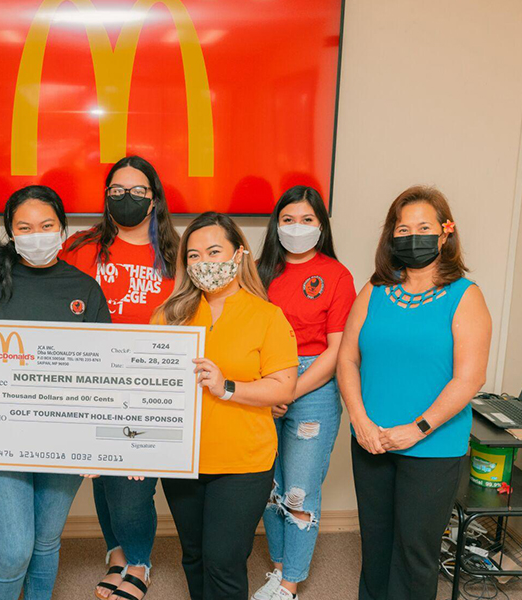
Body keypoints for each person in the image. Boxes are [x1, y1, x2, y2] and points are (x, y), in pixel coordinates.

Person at [0, 185, 112, 600]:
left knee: (46, 543)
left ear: (62, 229)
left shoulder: (85, 289)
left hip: (65, 440)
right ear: (10, 232)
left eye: (46, 225)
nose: (37, 234)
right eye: (25, 227)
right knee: (14, 548)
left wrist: (99, 445)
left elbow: (105, 371)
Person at [337, 186, 491, 600]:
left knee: (414, 552)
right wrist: (360, 420)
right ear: (391, 236)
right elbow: (347, 360)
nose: (412, 236)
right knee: (376, 545)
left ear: (445, 232)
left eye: (423, 227)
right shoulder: (375, 290)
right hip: (370, 440)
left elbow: (469, 378)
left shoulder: (466, 297)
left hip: (433, 447)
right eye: (402, 229)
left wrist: (417, 429)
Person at [154, 212, 299, 600]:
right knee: (195, 555)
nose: (204, 263)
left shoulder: (267, 316)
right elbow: (144, 387)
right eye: (194, 256)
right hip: (181, 460)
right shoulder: (169, 317)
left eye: (215, 251)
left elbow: (284, 387)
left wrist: (228, 387)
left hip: (242, 462)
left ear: (239, 255)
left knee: (224, 560)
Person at [60, 155, 179, 600]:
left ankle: (140, 561)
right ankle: (117, 553)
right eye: (116, 190)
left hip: (148, 391)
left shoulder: (177, 254)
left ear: (154, 199)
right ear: (105, 196)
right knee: (103, 478)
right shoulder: (79, 247)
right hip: (90, 385)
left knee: (133, 487)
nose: (126, 198)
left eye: (137, 191)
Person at [252, 186, 356, 600]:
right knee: (267, 484)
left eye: (308, 220)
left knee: (298, 488)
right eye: (289, 220)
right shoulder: (259, 272)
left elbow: (338, 350)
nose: (297, 228)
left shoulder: (336, 274)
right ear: (276, 225)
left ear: (321, 226)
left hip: (314, 383)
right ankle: (278, 569)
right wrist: (268, 387)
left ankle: (291, 583)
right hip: (263, 379)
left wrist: (289, 389)